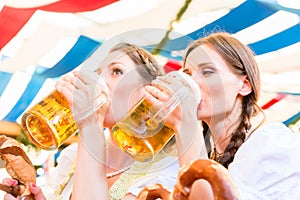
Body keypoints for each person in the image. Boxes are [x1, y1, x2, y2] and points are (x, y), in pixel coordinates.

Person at [2, 43, 181, 200]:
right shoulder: (72, 156)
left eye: (116, 71)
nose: (98, 81)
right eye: (98, 73)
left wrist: (90, 123)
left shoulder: (164, 174)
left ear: (148, 95)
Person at [144, 32, 300, 199]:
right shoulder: (211, 155)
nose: (191, 83)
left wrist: (184, 123)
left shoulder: (270, 144)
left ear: (245, 86)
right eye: (188, 74)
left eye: (207, 72)